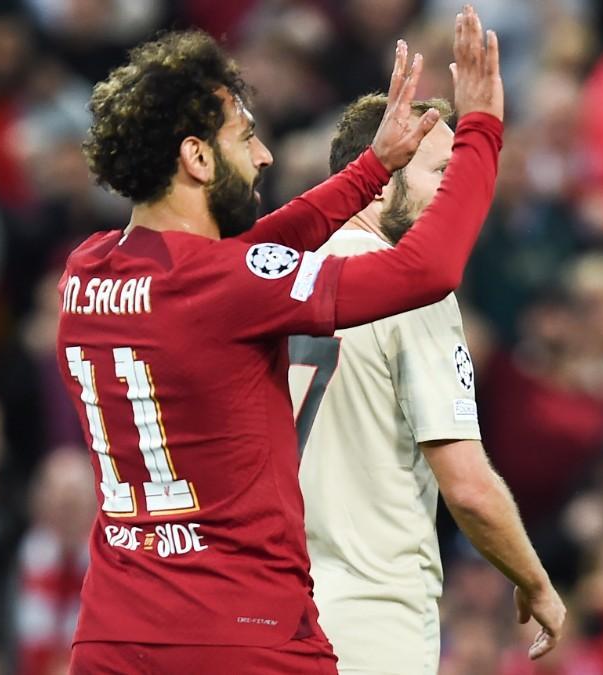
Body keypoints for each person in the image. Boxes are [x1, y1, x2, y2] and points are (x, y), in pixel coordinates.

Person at [57, 5, 503, 672]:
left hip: (113, 636)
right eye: (245, 138)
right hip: (240, 636)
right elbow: (427, 270)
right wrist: (482, 132)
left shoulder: (86, 270)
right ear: (196, 157)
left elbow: (246, 261)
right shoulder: (225, 286)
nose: (264, 155)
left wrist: (371, 169)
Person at [290, 90, 565, 673]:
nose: (453, 195)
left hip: (268, 609)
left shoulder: (281, 276)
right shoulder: (409, 287)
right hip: (372, 615)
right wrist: (534, 580)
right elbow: (467, 487)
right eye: (441, 172)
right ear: (378, 178)